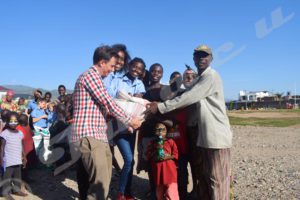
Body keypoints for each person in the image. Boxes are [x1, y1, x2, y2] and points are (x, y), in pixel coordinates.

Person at [146, 44, 233, 199]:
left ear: (211, 58)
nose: (201, 59)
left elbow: (188, 97)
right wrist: (179, 80)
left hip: (217, 137)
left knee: (218, 180)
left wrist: (160, 108)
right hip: (205, 137)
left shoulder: (210, 76)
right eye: (198, 56)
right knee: (206, 178)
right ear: (193, 58)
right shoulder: (198, 79)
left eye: (205, 56)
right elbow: (169, 93)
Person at [71, 45, 142, 200]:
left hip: (99, 135)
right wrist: (130, 120)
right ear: (102, 62)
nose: (112, 70)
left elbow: (105, 109)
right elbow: (108, 101)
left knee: (104, 181)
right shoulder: (91, 76)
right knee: (99, 185)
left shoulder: (96, 78)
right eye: (111, 66)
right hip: (89, 135)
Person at [110, 57, 146, 200]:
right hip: (118, 127)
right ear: (129, 66)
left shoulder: (139, 84)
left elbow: (140, 100)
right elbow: (112, 100)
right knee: (129, 159)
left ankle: (128, 191)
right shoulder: (118, 80)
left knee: (130, 161)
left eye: (140, 69)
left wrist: (135, 98)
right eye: (134, 67)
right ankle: (121, 193)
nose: (136, 70)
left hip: (132, 128)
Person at [147, 119, 179, 200]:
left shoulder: (170, 141)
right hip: (158, 171)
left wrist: (167, 157)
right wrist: (155, 152)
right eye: (158, 130)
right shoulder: (152, 143)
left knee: (171, 191)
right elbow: (148, 155)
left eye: (163, 130)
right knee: (159, 191)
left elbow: (175, 154)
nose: (160, 132)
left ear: (166, 131)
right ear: (155, 131)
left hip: (169, 171)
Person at [0, 112, 27, 199]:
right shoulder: (5, 133)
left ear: (18, 122)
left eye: (15, 121)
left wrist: (24, 156)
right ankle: (5, 192)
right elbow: (2, 147)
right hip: (8, 160)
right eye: (11, 121)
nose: (13, 123)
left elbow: (21, 145)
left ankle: (16, 189)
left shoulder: (20, 133)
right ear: (7, 122)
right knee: (7, 177)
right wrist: (1, 159)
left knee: (17, 176)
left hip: (17, 159)